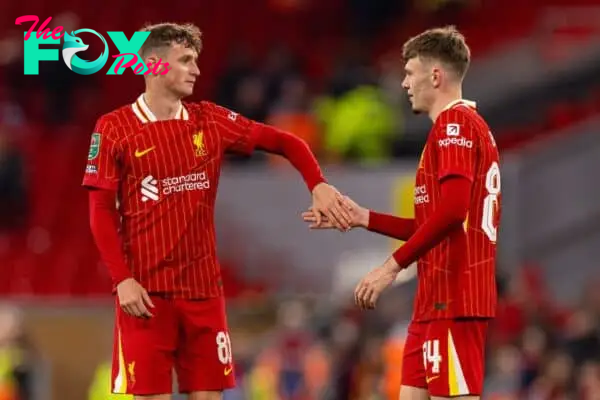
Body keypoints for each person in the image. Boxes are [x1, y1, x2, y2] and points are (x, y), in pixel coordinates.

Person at [82, 22, 352, 400]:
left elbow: (285, 141)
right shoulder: (114, 128)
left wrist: (318, 184)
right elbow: (99, 211)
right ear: (155, 65)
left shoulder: (209, 120)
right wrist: (122, 278)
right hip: (146, 296)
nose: (196, 69)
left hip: (204, 294)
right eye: (186, 60)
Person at [303, 26, 501, 399]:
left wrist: (389, 267)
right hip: (433, 300)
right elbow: (433, 223)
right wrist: (365, 218)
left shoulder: (454, 124)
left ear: (436, 76)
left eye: (410, 73)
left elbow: (454, 212)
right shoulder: (453, 130)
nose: (405, 83)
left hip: (455, 298)